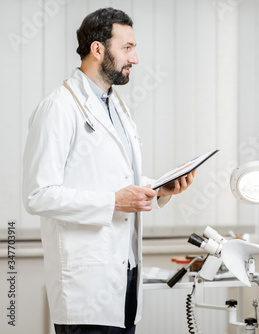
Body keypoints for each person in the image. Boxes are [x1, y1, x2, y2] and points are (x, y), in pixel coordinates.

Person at [22, 7, 195, 334]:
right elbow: (38, 195)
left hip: (124, 274)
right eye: (127, 48)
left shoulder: (115, 106)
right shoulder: (58, 108)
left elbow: (115, 180)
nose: (136, 58)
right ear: (98, 49)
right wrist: (113, 202)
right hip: (86, 284)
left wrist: (160, 189)